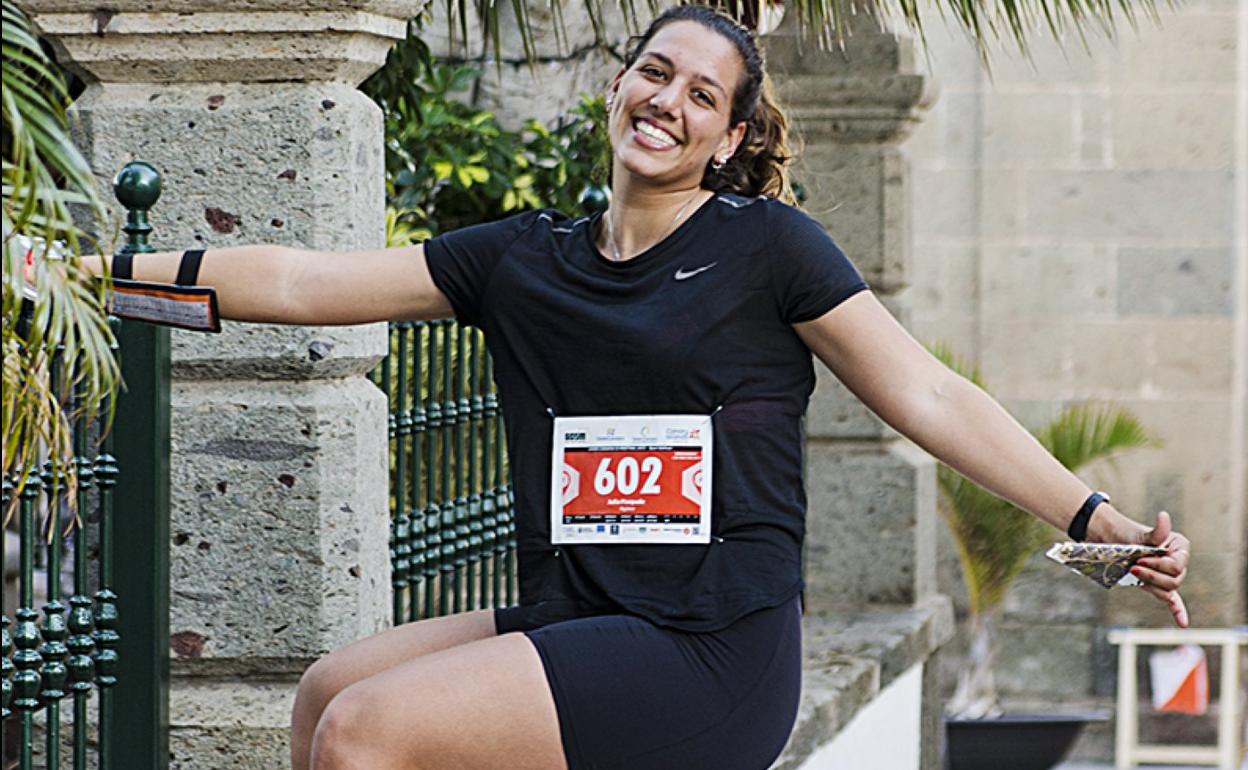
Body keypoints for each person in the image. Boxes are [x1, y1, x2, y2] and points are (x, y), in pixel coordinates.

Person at [81, 6, 1191, 769]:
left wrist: (1094, 516)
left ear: (729, 137)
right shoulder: (523, 260)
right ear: (618, 85)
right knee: (327, 692)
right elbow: (300, 282)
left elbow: (932, 396)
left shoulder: (770, 248)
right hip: (583, 612)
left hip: (711, 643)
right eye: (655, 73)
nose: (668, 101)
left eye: (702, 95)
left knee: (368, 730)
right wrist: (96, 283)